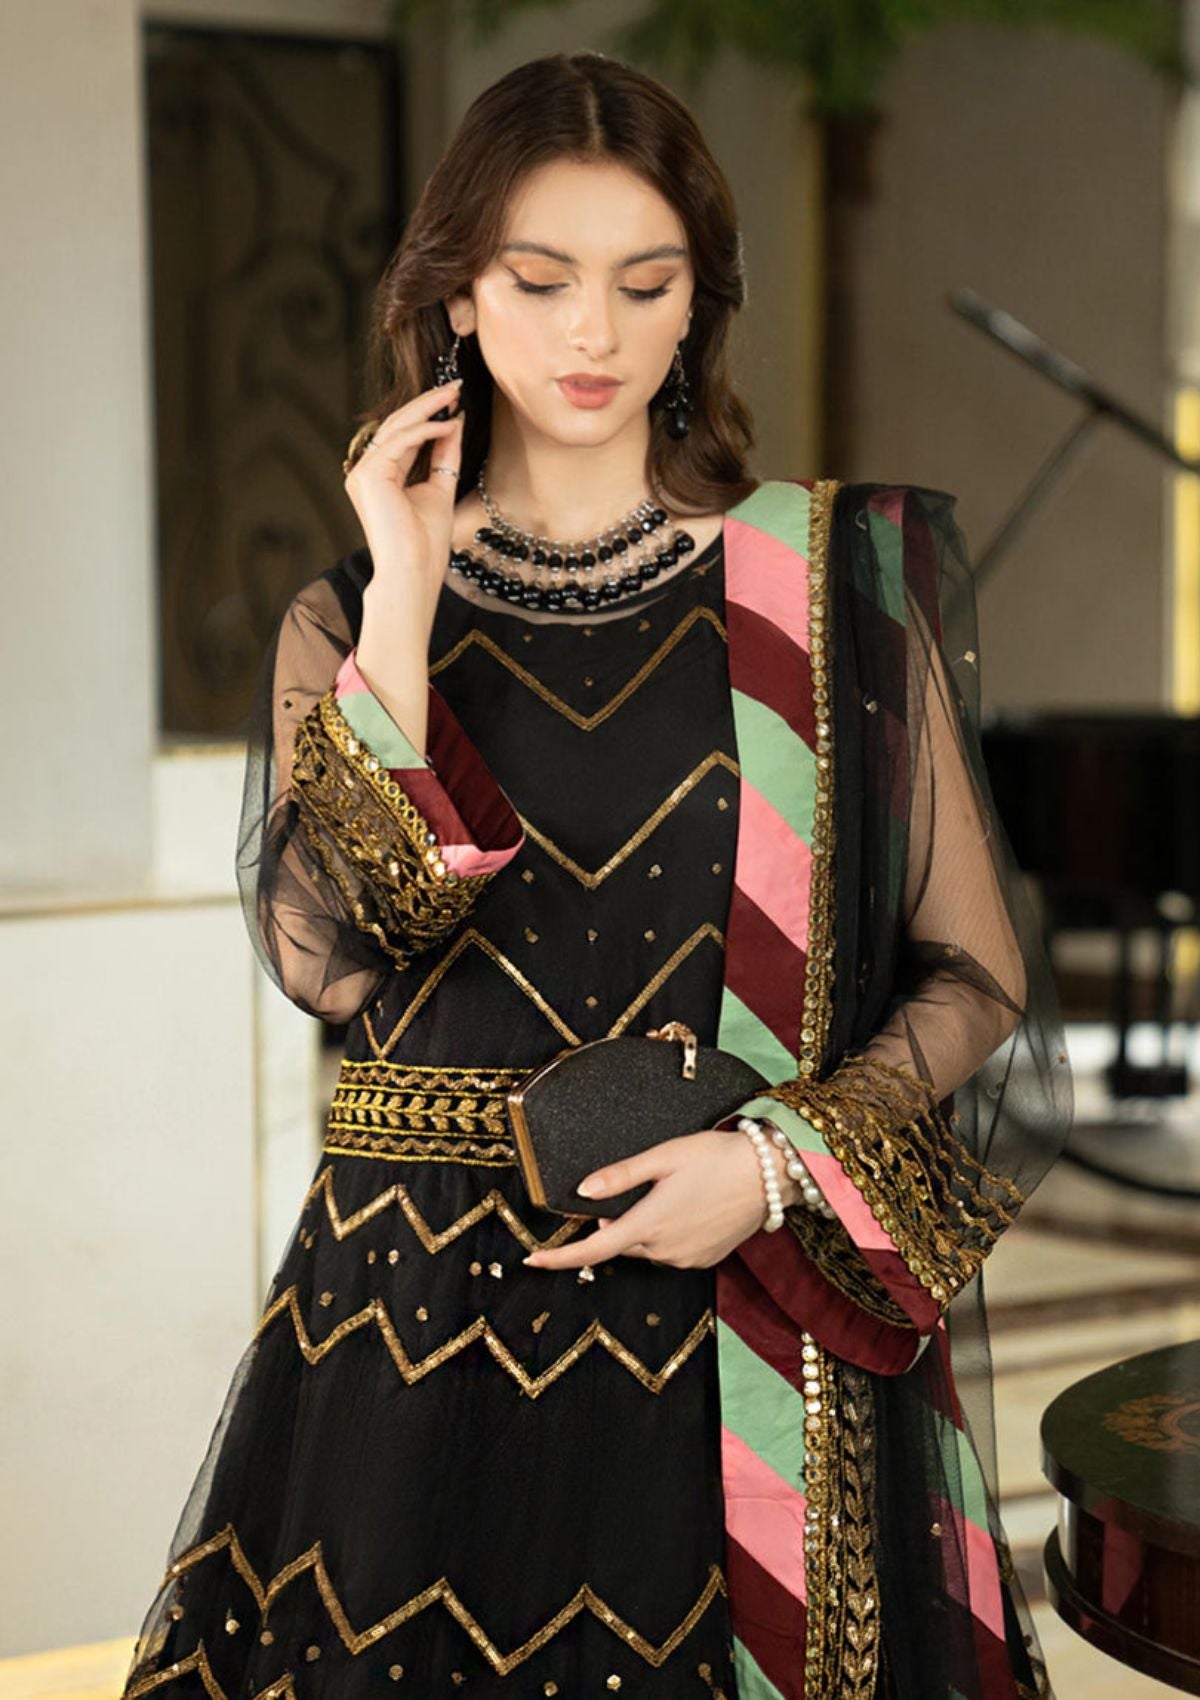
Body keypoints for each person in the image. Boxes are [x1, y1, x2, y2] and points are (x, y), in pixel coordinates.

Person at [120, 49, 1072, 1700]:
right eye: (539, 279)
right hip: (414, 1315)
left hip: (734, 1308)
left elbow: (976, 977)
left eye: (647, 284)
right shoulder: (349, 616)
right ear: (456, 297)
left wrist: (770, 1170)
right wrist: (406, 593)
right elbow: (334, 961)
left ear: (699, 303)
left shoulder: (828, 594)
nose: (595, 333)